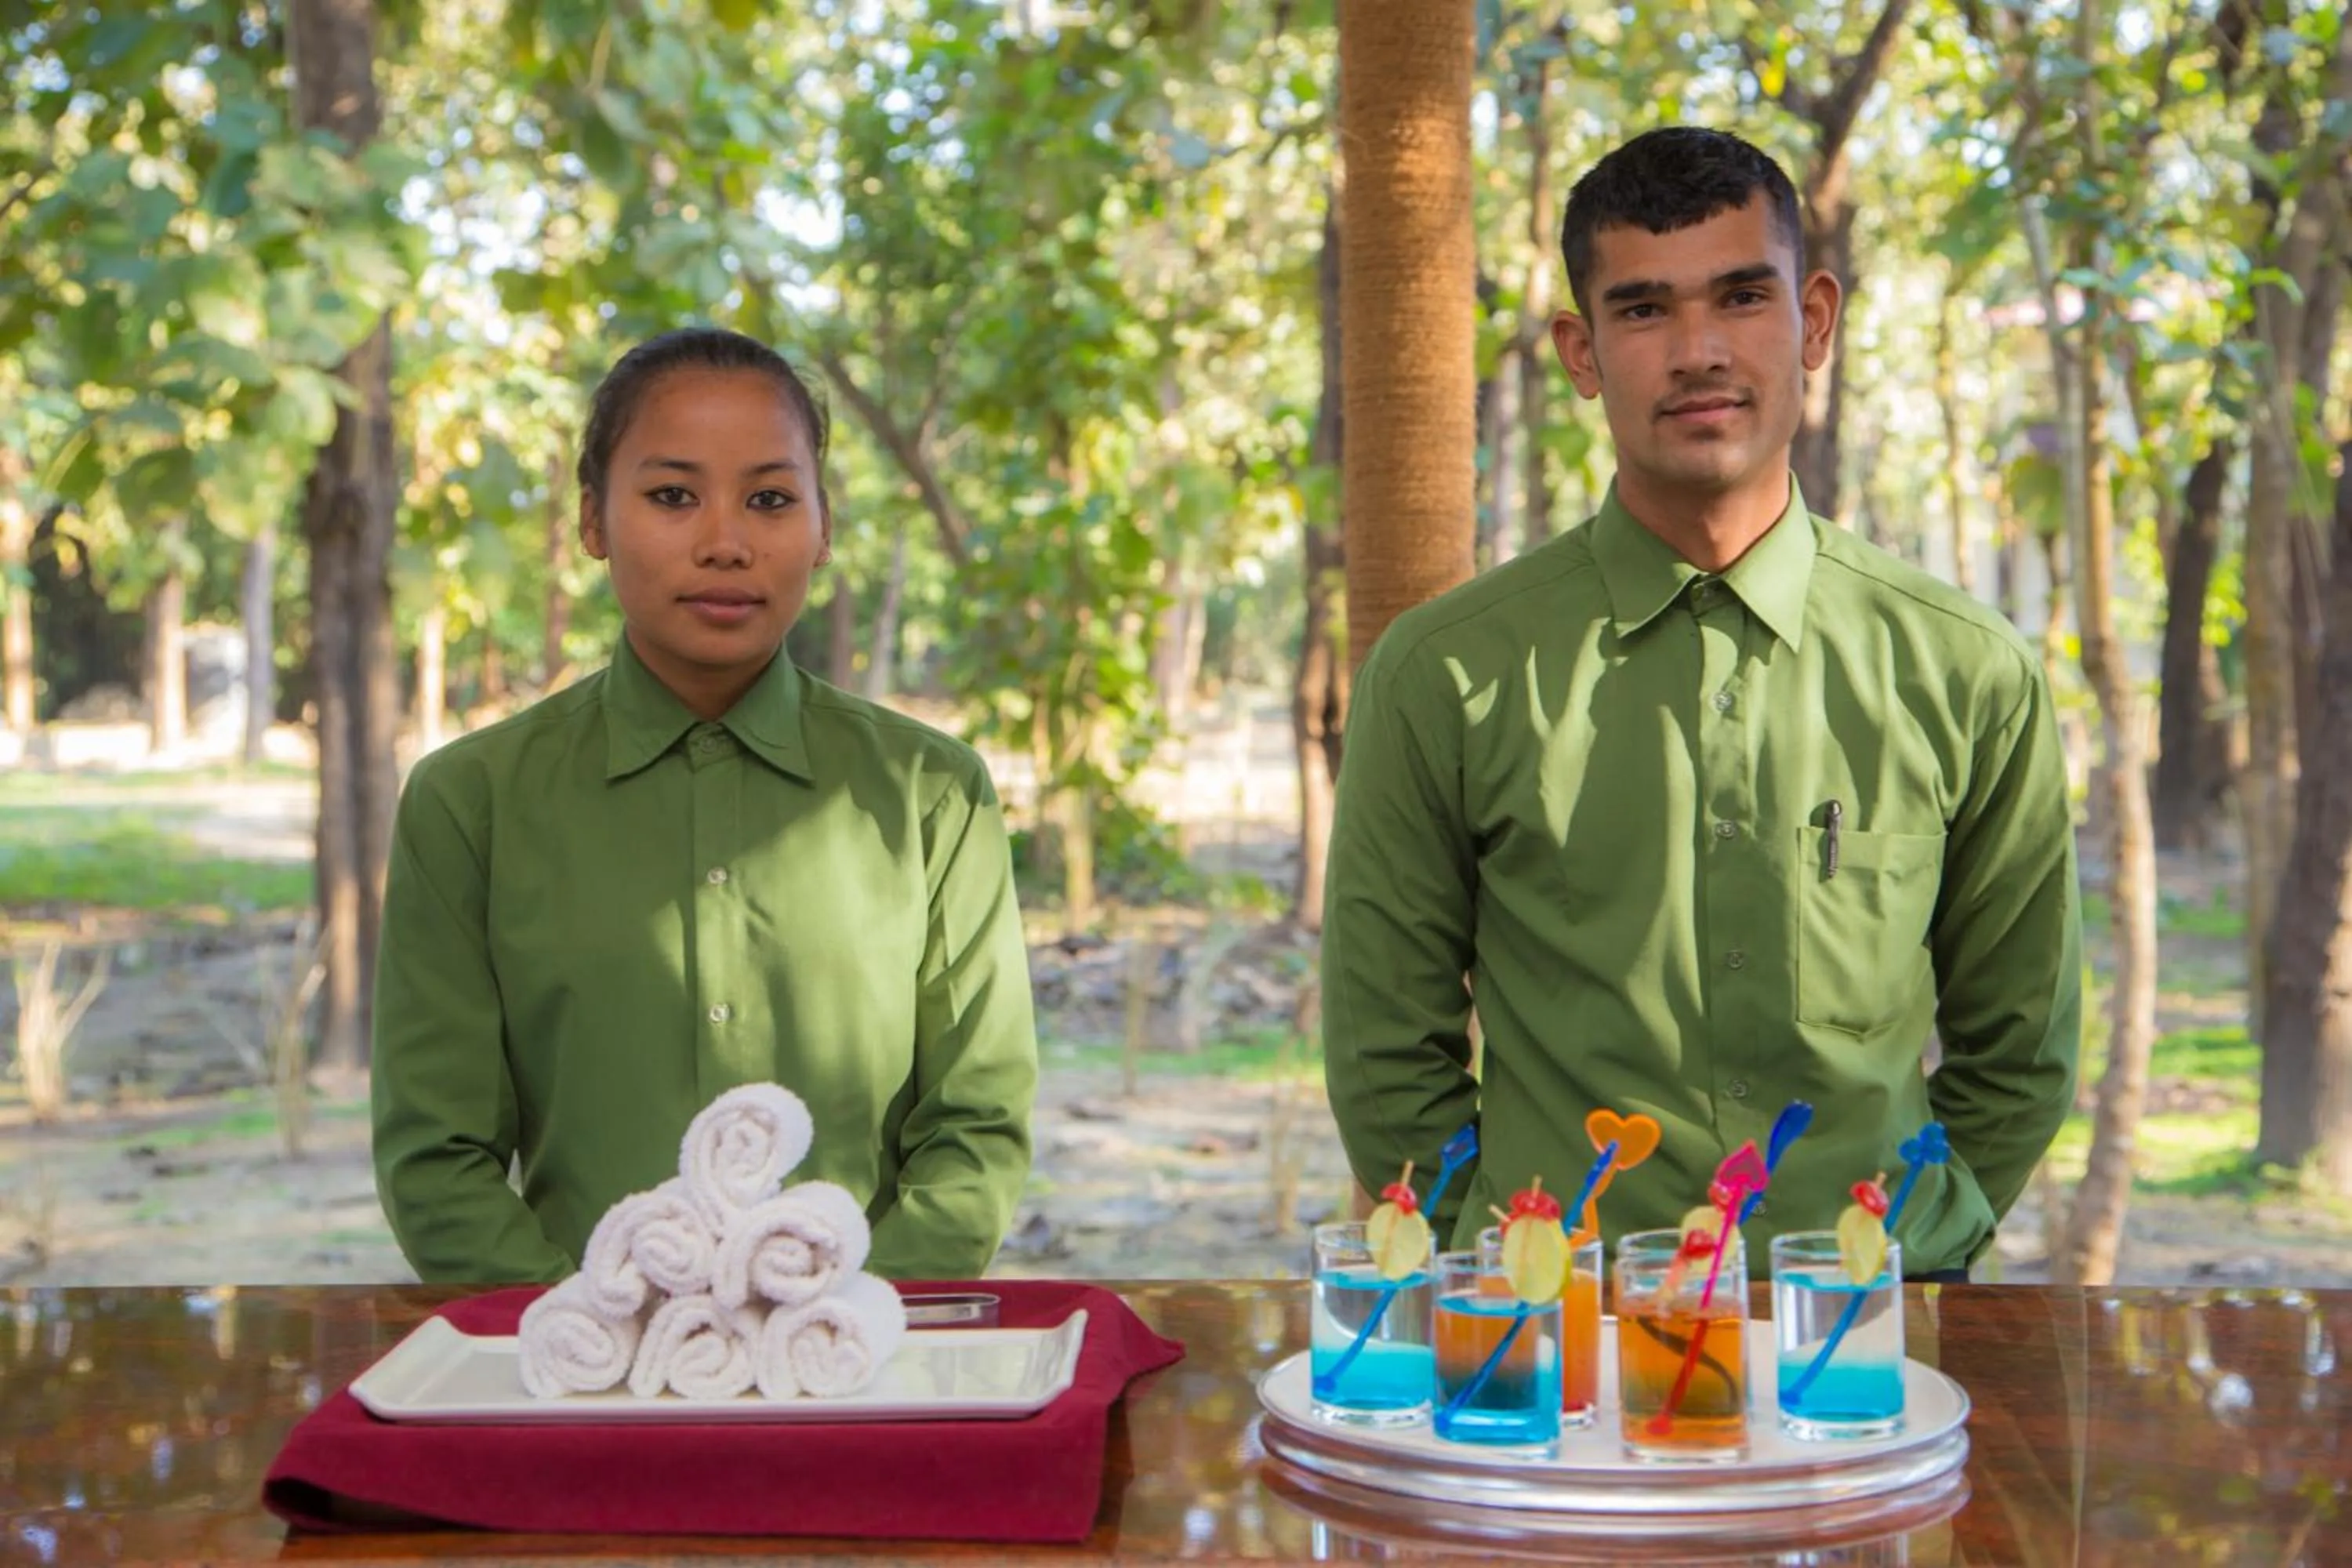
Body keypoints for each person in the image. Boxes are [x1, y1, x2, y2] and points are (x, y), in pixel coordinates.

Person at [1320, 127, 2080, 1281]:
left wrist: (1909, 1240)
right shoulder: (1447, 674)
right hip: (1558, 1340)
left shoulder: (1966, 671)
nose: (1698, 351)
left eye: (1740, 296)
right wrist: (1514, 1250)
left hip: (1863, 1341)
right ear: (1581, 352)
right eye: (1641, 311)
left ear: (1814, 321)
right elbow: (1386, 1050)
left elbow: (2020, 1046)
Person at [372, 327, 1038, 1284]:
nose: (725, 543)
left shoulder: (933, 796)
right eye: (673, 495)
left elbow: (976, 1130)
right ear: (593, 521)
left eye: (770, 498)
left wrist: (844, 1325)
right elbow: (437, 1157)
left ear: (823, 525)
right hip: (574, 1384)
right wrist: (600, 1338)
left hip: (862, 1375)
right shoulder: (470, 802)